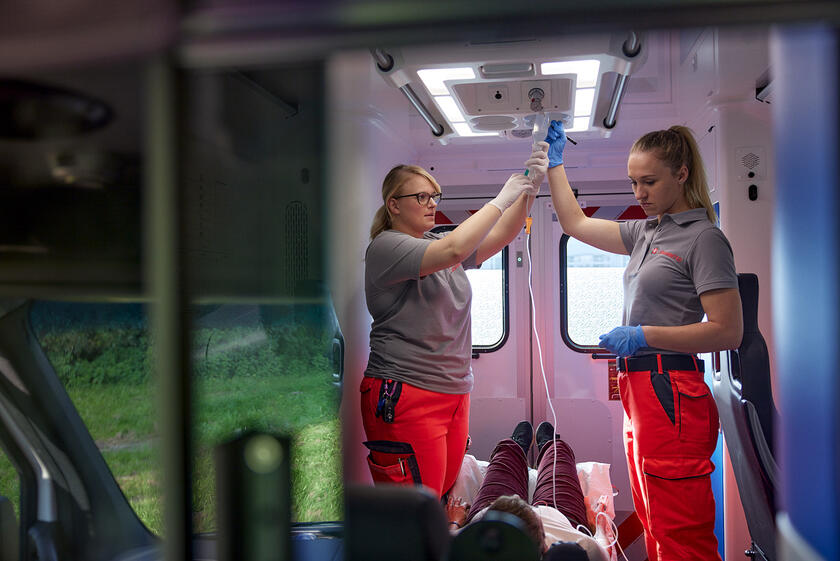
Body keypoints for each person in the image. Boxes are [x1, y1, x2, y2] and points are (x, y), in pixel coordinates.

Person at [543, 121, 743, 561]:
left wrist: (643, 335)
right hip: (640, 393)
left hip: (671, 391)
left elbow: (728, 330)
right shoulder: (646, 233)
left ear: (682, 174)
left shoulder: (703, 238)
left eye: (649, 181)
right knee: (653, 520)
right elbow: (574, 224)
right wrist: (556, 164)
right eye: (634, 182)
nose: (639, 193)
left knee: (679, 532)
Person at [361, 147, 548, 499]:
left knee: (444, 490)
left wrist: (529, 190)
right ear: (394, 205)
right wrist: (501, 197)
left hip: (453, 390)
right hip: (405, 391)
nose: (432, 203)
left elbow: (502, 235)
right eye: (421, 196)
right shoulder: (386, 247)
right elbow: (454, 251)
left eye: (435, 196)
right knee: (416, 506)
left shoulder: (435, 242)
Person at [444, 420, 609, 560]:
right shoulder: (580, 548)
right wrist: (597, 525)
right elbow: (603, 550)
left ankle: (515, 448)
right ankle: (550, 446)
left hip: (488, 518)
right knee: (559, 457)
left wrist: (454, 521)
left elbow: (448, 542)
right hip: (555, 520)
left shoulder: (464, 548)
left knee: (505, 458)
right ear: (544, 548)